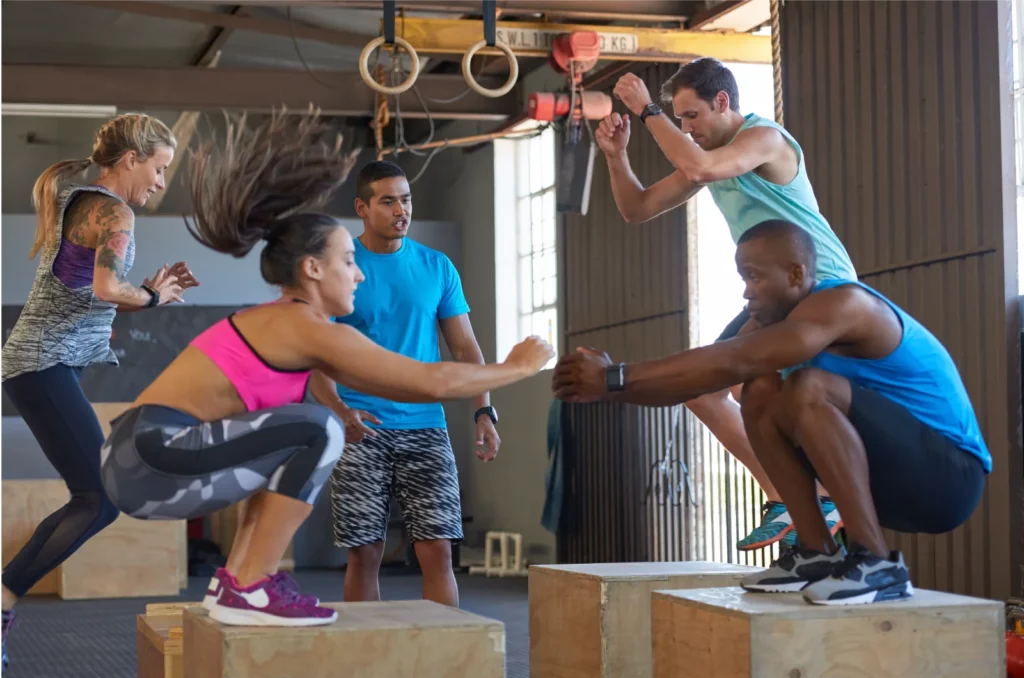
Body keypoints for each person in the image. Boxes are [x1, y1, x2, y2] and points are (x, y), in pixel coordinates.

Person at [97, 110, 554, 628]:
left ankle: (238, 581)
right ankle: (250, 585)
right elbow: (434, 380)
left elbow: (426, 376)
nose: (358, 272)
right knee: (318, 429)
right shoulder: (308, 328)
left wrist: (483, 409)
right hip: (151, 459)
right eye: (346, 262)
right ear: (312, 269)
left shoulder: (295, 324)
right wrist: (518, 367)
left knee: (300, 435)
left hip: (141, 459)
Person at [552, 220, 990, 605]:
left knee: (806, 387)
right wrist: (608, 387)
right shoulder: (767, 321)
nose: (746, 290)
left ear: (796, 274)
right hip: (889, 481)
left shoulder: (845, 305)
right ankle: (816, 553)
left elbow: (733, 359)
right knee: (759, 389)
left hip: (949, 479)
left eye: (755, 277)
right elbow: (697, 383)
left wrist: (615, 376)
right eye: (743, 277)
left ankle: (876, 563)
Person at [596, 57, 858, 551]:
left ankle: (822, 499)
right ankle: (789, 498)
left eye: (690, 116)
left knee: (761, 394)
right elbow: (637, 209)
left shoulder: (765, 141)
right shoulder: (709, 158)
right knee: (707, 393)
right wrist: (616, 158)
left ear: (722, 102)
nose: (685, 129)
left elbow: (698, 165)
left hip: (822, 286)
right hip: (774, 297)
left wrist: (647, 108)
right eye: (679, 119)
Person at [0, 113, 198, 677]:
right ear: (130, 160)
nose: (161, 182)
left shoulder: (86, 200)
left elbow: (90, 290)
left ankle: (3, 599)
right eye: (158, 169)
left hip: (46, 363)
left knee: (91, 496)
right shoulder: (114, 210)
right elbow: (108, 286)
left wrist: (146, 293)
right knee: (100, 497)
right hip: (41, 364)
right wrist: (153, 300)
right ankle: (3, 600)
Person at [310, 160, 500, 609]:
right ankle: (365, 664)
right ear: (362, 207)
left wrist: (483, 410)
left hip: (426, 426)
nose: (402, 209)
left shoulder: (437, 267)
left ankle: (448, 662)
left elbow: (466, 349)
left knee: (437, 551)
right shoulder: (340, 269)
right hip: (361, 428)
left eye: (407, 198)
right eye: (388, 200)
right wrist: (341, 413)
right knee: (364, 554)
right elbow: (315, 358)